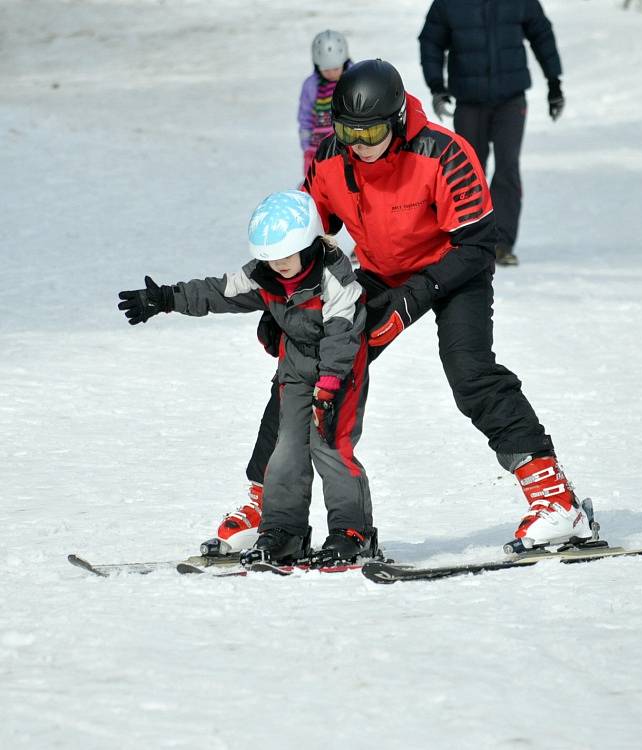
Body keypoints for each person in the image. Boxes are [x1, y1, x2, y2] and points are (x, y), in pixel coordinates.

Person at [217, 60, 592, 556]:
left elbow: (479, 245)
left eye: (371, 131)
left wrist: (413, 298)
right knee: (301, 364)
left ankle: (555, 500)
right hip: (378, 270)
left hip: (454, 270)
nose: (360, 145)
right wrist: (282, 301)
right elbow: (305, 237)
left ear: (396, 121)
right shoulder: (332, 159)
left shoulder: (444, 154)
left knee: (470, 372)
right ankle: (265, 502)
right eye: (349, 131)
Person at [117, 190, 375, 565]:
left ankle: (353, 533)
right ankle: (284, 531)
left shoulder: (335, 278)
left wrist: (330, 384)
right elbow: (218, 291)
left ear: (309, 244)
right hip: (296, 369)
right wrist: (167, 299)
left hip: (339, 373)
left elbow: (343, 333)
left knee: (329, 447)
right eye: (270, 257)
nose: (279, 264)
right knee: (285, 452)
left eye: (286, 255)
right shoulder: (264, 274)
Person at [418, 0, 566, 266]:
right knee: (467, 173)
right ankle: (469, 241)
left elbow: (541, 33)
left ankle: (502, 243)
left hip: (511, 99)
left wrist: (554, 82)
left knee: (507, 167)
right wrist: (436, 86)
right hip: (469, 100)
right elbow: (431, 40)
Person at [298, 30, 352, 177]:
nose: (332, 73)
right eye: (326, 70)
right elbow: (305, 118)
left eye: (336, 68)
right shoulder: (311, 86)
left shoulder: (353, 79)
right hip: (318, 149)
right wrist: (307, 147)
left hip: (348, 148)